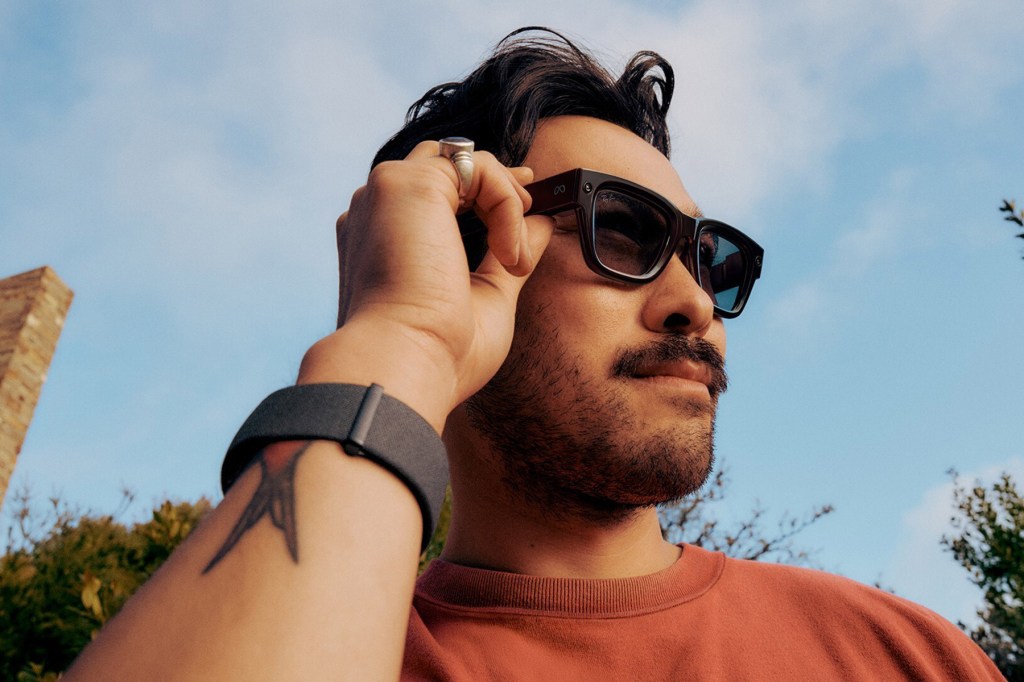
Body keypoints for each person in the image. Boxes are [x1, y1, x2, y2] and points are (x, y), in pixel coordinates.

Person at [67, 28, 1002, 680]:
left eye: (710, 259)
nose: (695, 305)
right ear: (466, 254)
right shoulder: (323, 644)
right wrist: (402, 339)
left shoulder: (904, 656)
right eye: (623, 230)